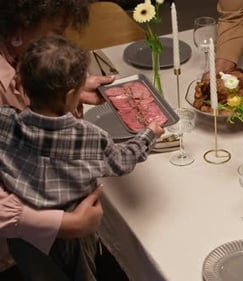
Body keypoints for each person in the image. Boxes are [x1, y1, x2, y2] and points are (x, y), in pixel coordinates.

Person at [2, 34, 164, 281]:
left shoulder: (4, 124)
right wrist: (148, 135)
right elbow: (122, 161)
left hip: (25, 235)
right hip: (73, 236)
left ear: (20, 83)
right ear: (70, 95)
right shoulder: (89, 136)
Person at [0, 0, 116, 277]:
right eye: (57, 32)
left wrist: (58, 91)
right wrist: (64, 225)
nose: (60, 41)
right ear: (21, 25)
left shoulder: (14, 54)